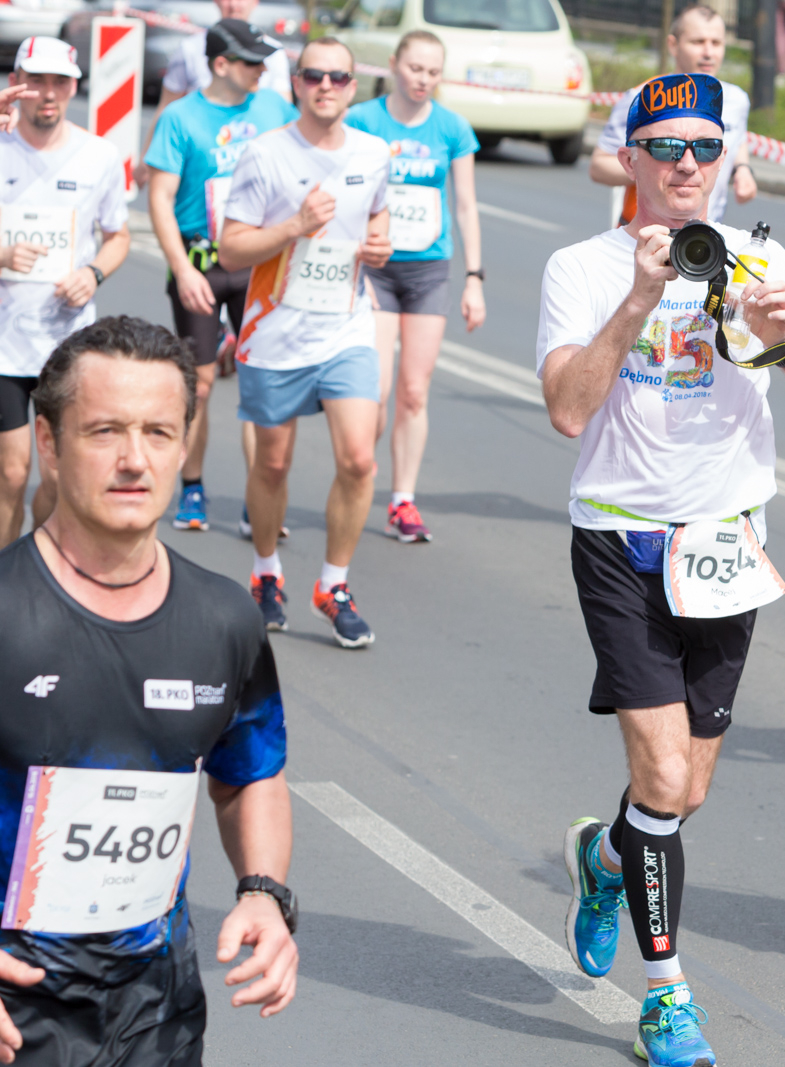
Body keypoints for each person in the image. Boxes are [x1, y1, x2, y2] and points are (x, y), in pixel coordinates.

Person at [539, 73, 785, 1067]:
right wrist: (642, 294)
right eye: (666, 146)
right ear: (628, 157)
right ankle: (668, 994)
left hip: (725, 546)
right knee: (663, 771)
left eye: (704, 149)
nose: (686, 165)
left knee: (684, 795)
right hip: (621, 537)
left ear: (725, 161)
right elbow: (564, 408)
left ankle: (603, 855)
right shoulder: (582, 266)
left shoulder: (764, 259)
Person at [0, 315, 297, 1063]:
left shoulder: (224, 618)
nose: (134, 458)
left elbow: (250, 775)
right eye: (104, 430)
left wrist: (263, 889)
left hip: (155, 1009)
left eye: (160, 433)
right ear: (48, 442)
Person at [218, 37, 391, 648]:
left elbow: (378, 215)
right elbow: (231, 248)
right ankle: (266, 573)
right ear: (296, 83)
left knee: (360, 457)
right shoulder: (265, 155)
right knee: (272, 462)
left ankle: (333, 586)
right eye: (313, 75)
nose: (326, 85)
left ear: (352, 86)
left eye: (338, 77)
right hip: (275, 331)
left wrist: (378, 245)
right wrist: (295, 225)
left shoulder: (373, 153)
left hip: (345, 327)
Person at [145, 20, 298, 534]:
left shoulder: (274, 108)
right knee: (201, 383)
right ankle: (191, 486)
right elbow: (160, 199)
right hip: (202, 264)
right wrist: (183, 268)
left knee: (262, 380)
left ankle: (261, 494)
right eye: (252, 62)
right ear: (220, 65)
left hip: (261, 263)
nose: (262, 70)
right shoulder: (181, 117)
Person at [346, 29, 484, 544]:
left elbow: (467, 204)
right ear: (393, 66)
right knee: (376, 391)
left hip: (428, 269)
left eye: (432, 71)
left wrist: (475, 278)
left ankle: (402, 499)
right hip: (375, 268)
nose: (423, 79)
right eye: (414, 68)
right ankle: (360, 478)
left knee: (413, 391)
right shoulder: (363, 120)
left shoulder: (452, 128)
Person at [0, 38, 130, 546]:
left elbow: (118, 236)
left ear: (74, 86)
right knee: (12, 473)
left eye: (60, 82)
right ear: (18, 85)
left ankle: (38, 565)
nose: (48, 95)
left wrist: (93, 273)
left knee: (58, 477)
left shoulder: (98, 155)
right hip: (5, 344)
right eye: (38, 82)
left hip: (67, 341)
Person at [589, 5, 758, 226]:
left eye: (716, 43)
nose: (708, 52)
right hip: (645, 235)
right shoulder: (644, 97)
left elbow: (736, 138)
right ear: (673, 45)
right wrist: (656, 164)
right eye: (698, 42)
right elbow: (598, 167)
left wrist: (743, 169)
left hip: (704, 237)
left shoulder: (736, 100)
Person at [136, 0, 295, 189]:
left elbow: (285, 118)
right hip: (204, 161)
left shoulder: (273, 52)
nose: (235, 5)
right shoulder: (190, 48)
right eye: (251, 62)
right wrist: (148, 157)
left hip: (254, 163)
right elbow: (166, 107)